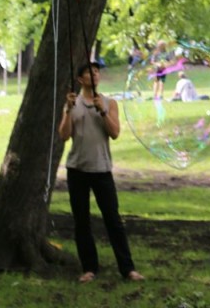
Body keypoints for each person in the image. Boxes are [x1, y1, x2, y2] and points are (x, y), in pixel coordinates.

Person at [58, 61, 144, 284]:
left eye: (97, 72)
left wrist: (103, 111)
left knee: (113, 220)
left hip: (102, 169)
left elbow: (115, 132)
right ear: (80, 79)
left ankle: (128, 269)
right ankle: (89, 268)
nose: (94, 75)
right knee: (82, 221)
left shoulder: (109, 103)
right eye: (89, 72)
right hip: (76, 169)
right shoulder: (71, 103)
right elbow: (63, 135)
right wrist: (67, 111)